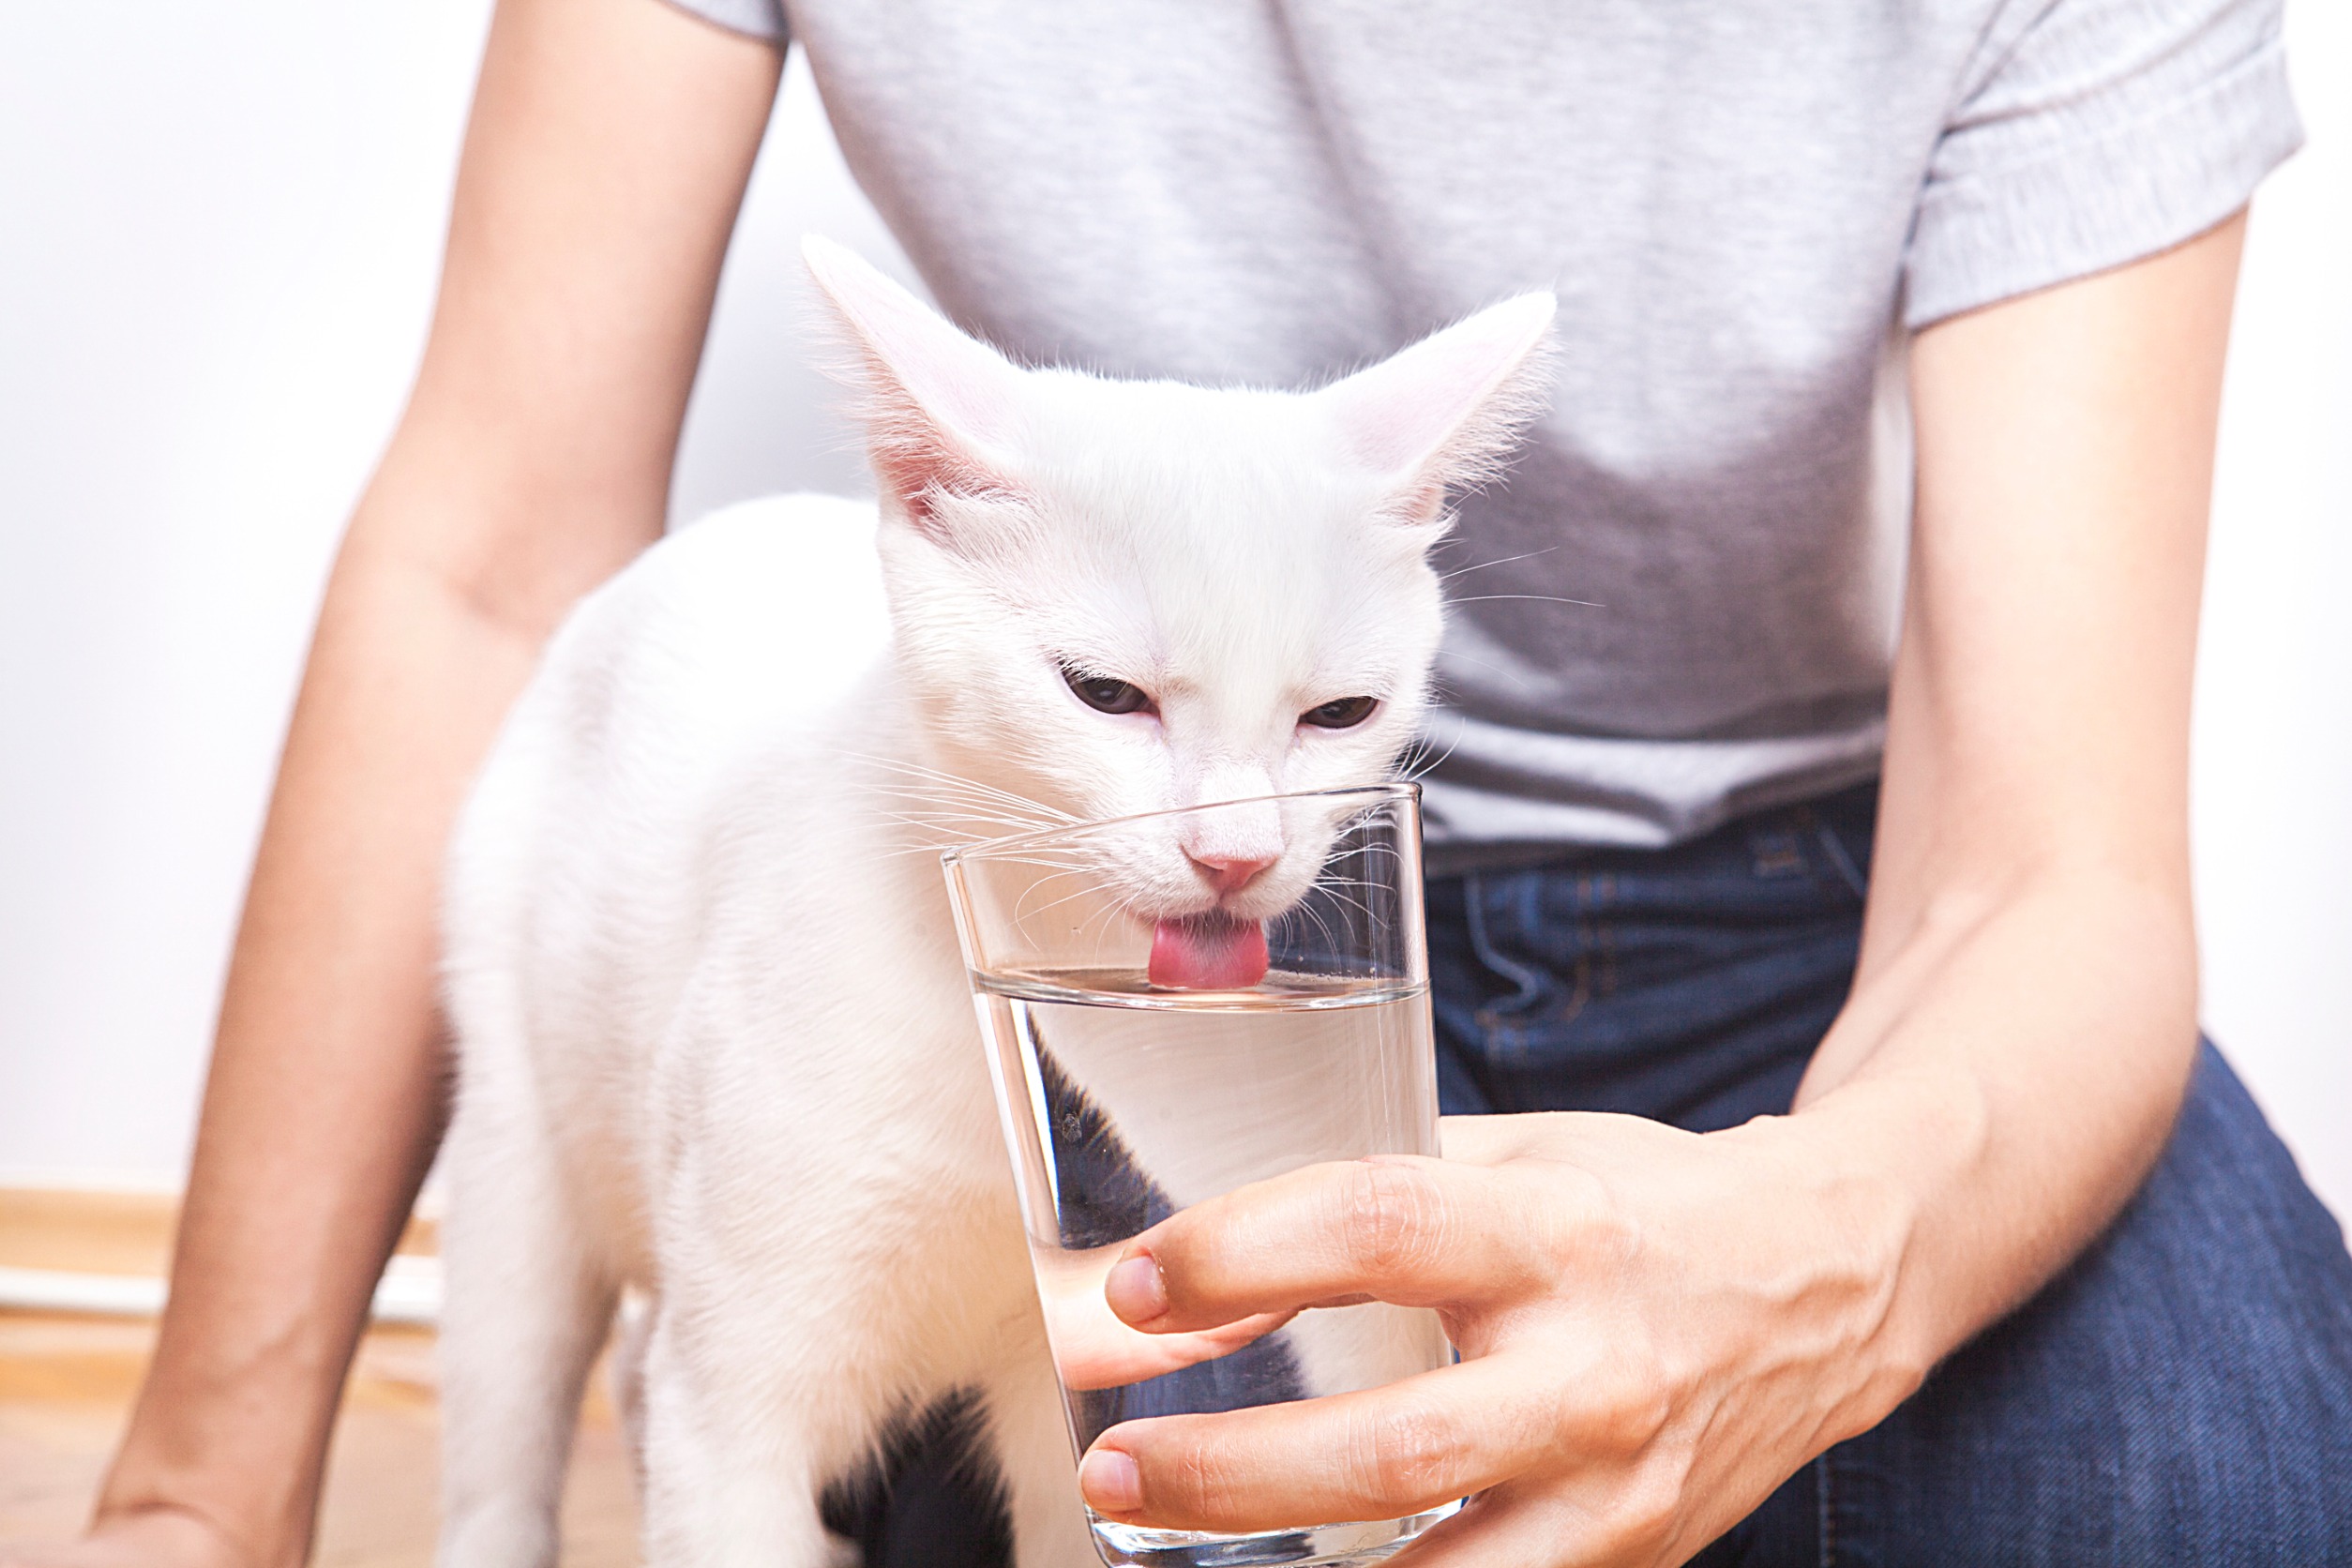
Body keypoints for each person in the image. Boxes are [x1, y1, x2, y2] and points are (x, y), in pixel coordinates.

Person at [19, 0, 2352, 1563]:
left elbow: (2055, 860)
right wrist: (199, 1493)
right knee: (1052, 1458)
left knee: (2222, 1487)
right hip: (1049, 933)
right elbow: (493, 561)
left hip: (1804, 924)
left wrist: (1851, 1250)